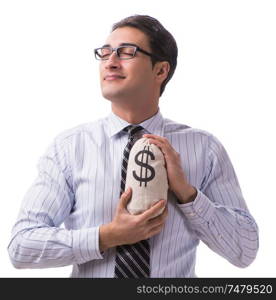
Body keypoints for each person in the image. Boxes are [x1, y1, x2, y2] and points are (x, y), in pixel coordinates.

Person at [8, 15, 259, 278]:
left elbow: (244, 250)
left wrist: (188, 194)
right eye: (105, 53)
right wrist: (106, 236)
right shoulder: (70, 148)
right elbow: (22, 246)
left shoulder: (204, 149)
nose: (111, 62)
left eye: (127, 52)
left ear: (160, 70)